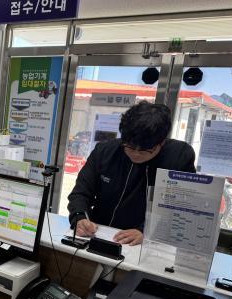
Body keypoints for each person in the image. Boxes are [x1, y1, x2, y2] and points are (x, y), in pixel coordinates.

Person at [67, 101, 196, 246]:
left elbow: (181, 209)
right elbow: (80, 193)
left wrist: (146, 231)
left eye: (144, 150)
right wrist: (79, 217)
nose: (136, 154)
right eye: (130, 147)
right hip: (98, 235)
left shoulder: (179, 157)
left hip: (144, 245)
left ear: (161, 142)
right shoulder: (104, 151)